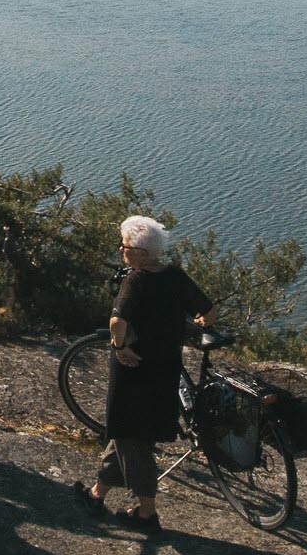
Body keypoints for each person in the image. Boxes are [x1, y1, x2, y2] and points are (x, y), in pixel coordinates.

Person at [79, 214, 212, 532]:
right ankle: (97, 494)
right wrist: (202, 329)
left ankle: (147, 513)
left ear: (140, 253)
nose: (121, 251)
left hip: (134, 370)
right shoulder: (175, 276)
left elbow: (116, 322)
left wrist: (119, 347)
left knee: (129, 437)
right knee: (127, 433)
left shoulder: (136, 279)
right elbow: (207, 310)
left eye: (125, 247)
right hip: (166, 369)